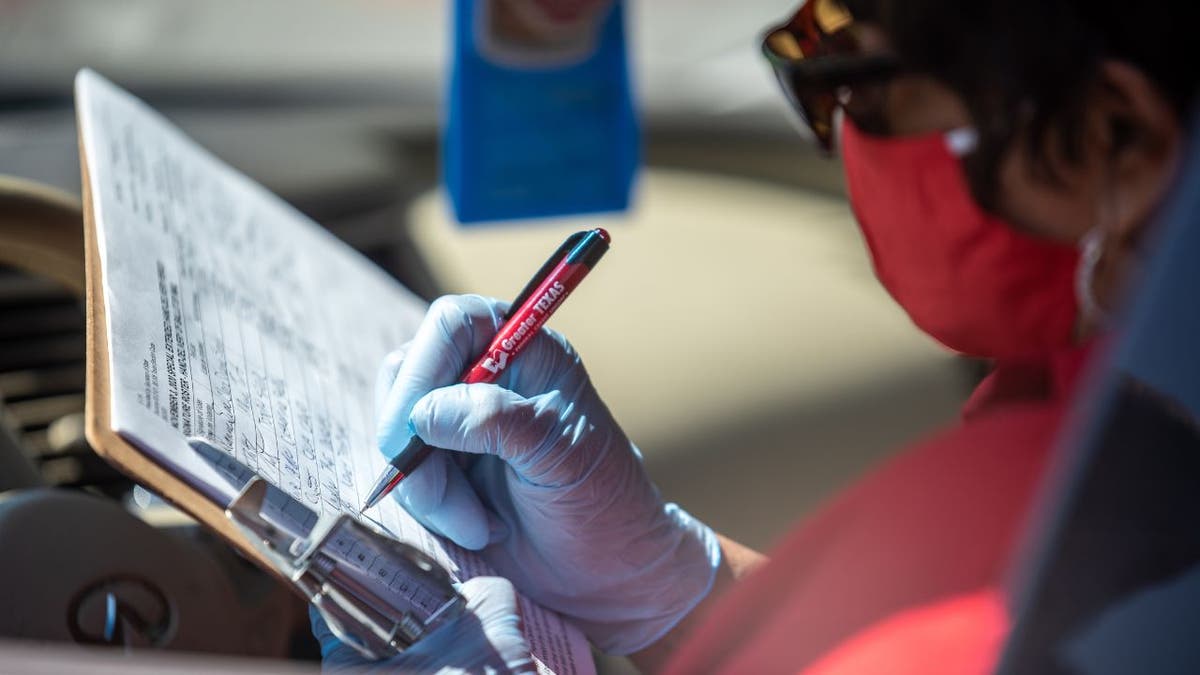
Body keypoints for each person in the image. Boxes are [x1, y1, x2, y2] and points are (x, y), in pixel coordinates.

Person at [315, 0, 1200, 672]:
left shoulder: (1106, 548)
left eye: (855, 83)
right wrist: (674, 588)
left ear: (1112, 136)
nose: (841, 134)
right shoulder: (1103, 411)